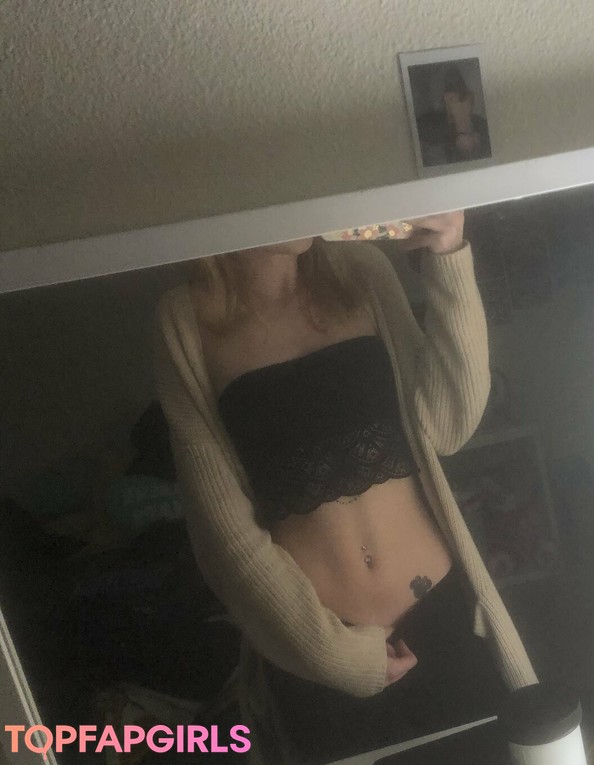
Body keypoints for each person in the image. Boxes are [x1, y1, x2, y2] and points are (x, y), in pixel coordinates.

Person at [152, 212, 537, 764]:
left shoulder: (361, 272)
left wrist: (448, 260)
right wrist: (335, 657)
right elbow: (225, 537)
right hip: (322, 656)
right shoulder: (186, 320)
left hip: (444, 617)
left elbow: (448, 423)